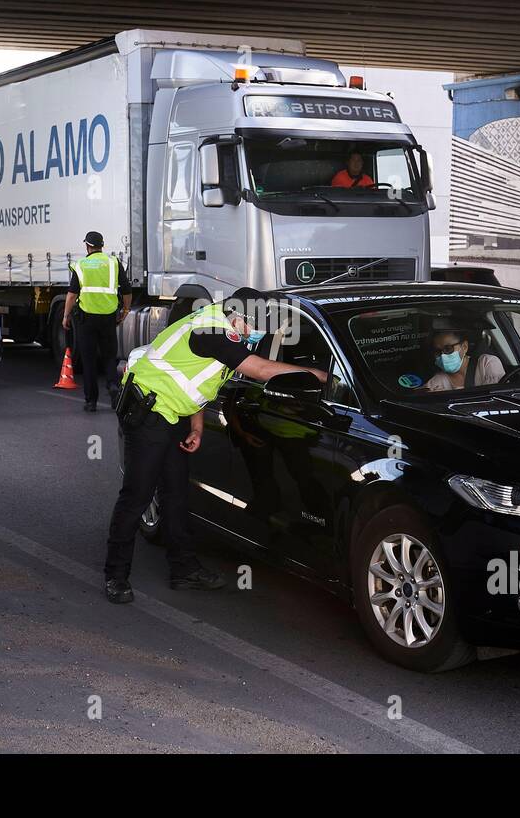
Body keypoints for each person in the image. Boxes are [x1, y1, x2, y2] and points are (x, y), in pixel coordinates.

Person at [104, 287, 327, 604]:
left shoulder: (217, 324)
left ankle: (183, 570)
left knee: (176, 494)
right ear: (239, 316)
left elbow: (191, 374)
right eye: (252, 326)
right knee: (137, 495)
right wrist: (316, 374)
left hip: (172, 413)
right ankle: (115, 576)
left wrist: (196, 426)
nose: (253, 335)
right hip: (148, 414)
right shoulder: (213, 332)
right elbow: (261, 370)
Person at [62, 231, 133, 412]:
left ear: (87, 246)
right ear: (102, 245)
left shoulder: (81, 265)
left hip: (86, 319)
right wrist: (125, 310)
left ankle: (91, 401)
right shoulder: (113, 262)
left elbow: (72, 295)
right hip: (109, 317)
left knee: (89, 359)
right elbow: (126, 290)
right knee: (110, 356)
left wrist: (65, 315)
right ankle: (112, 386)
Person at [424, 325, 505, 391]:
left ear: (464, 347)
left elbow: (495, 398)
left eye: (448, 349)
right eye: (438, 351)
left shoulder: (487, 364)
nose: (443, 355)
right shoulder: (436, 382)